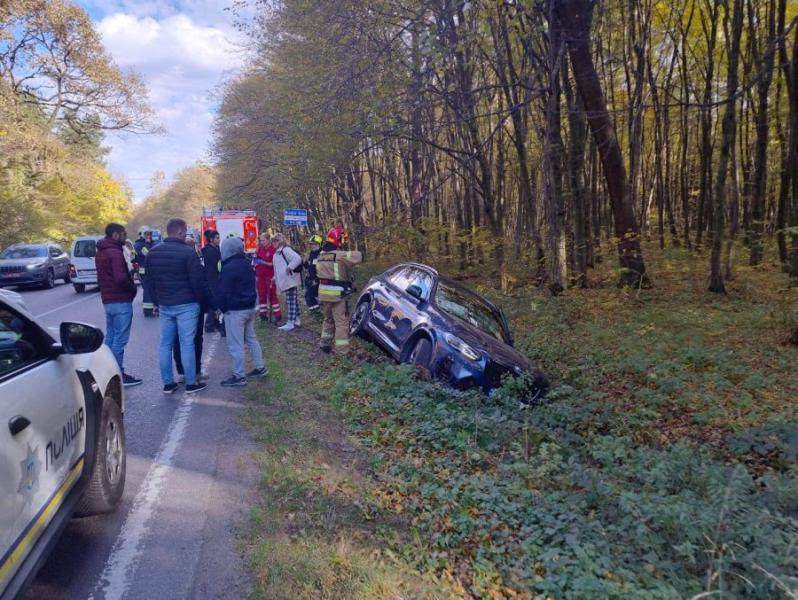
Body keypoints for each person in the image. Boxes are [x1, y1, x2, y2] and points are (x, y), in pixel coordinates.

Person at [144, 218, 210, 394]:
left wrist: (157, 301)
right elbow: (197, 282)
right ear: (180, 231)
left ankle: (168, 383)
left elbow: (148, 281)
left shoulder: (153, 253)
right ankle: (190, 383)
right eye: (186, 231)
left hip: (165, 304)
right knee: (187, 343)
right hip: (187, 304)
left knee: (165, 344)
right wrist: (200, 301)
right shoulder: (188, 253)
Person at [215, 237, 268, 386]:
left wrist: (221, 309)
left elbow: (223, 291)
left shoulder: (228, 267)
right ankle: (260, 367)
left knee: (235, 344)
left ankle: (239, 376)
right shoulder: (246, 264)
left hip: (235, 311)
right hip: (249, 308)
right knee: (251, 339)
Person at [95, 223, 142, 387]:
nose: (125, 237)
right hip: (120, 300)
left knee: (111, 337)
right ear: (115, 235)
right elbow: (121, 278)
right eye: (123, 234)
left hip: (108, 300)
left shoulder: (101, 251)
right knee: (120, 340)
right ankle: (117, 375)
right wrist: (133, 289)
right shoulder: (115, 253)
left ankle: (105, 372)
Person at [316, 227, 363, 354]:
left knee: (328, 319)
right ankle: (342, 351)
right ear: (337, 239)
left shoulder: (321, 255)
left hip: (324, 293)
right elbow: (359, 257)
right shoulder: (340, 255)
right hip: (337, 294)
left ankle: (324, 343)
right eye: (342, 239)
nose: (343, 241)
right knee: (341, 323)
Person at [271, 233, 303, 331]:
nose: (273, 243)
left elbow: (297, 258)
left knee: (291, 301)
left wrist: (290, 267)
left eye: (274, 241)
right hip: (286, 280)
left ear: (279, 241)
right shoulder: (278, 253)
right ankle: (296, 319)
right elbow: (277, 268)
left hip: (290, 279)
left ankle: (290, 323)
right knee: (293, 301)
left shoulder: (286, 250)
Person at [254, 233, 282, 322]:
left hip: (270, 276)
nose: (261, 242)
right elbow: (255, 258)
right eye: (260, 240)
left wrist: (263, 262)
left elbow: (275, 264)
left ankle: (277, 315)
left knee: (272, 295)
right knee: (262, 294)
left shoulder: (273, 249)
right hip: (260, 276)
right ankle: (263, 315)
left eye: (263, 240)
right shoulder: (260, 248)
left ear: (268, 239)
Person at [201, 229, 224, 333]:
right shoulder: (209, 251)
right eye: (217, 238)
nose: (219, 240)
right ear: (211, 239)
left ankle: (215, 324)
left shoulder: (216, 248)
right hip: (212, 279)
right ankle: (209, 325)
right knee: (213, 302)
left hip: (216, 278)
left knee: (217, 302)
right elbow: (215, 266)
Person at [134, 227, 157, 317]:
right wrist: (147, 245)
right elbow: (139, 257)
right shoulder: (138, 245)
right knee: (148, 290)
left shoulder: (152, 243)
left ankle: (154, 308)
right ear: (142, 235)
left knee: (152, 290)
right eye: (147, 234)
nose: (149, 236)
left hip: (153, 271)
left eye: (150, 234)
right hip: (144, 272)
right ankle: (148, 311)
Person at [304, 234, 323, 311]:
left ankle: (319, 313)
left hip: (319, 281)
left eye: (315, 244)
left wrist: (317, 280)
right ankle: (316, 313)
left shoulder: (322, 254)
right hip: (310, 281)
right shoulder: (310, 255)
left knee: (320, 299)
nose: (313, 246)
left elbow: (323, 270)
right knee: (309, 297)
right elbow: (308, 266)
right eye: (311, 244)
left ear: (320, 244)